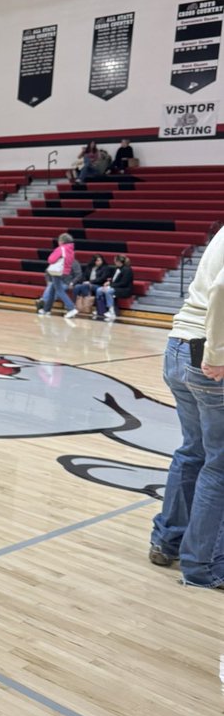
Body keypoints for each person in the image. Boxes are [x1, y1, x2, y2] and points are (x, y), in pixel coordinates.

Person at [148, 224, 224, 589]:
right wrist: (217, 353)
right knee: (219, 465)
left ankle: (167, 540)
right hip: (207, 356)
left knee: (192, 451)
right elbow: (223, 289)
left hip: (178, 344)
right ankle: (203, 566)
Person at [37, 233, 77, 318]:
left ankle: (71, 308)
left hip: (57, 271)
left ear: (62, 241)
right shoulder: (71, 250)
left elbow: (51, 260)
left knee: (59, 290)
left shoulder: (61, 248)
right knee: (52, 289)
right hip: (65, 271)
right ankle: (46, 309)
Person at [94, 254, 133, 321]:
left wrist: (110, 286)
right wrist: (108, 283)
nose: (114, 262)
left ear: (118, 261)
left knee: (108, 291)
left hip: (124, 289)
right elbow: (113, 279)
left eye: (115, 261)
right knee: (99, 290)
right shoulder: (116, 268)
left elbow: (123, 283)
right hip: (116, 287)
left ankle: (111, 311)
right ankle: (101, 309)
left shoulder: (127, 270)